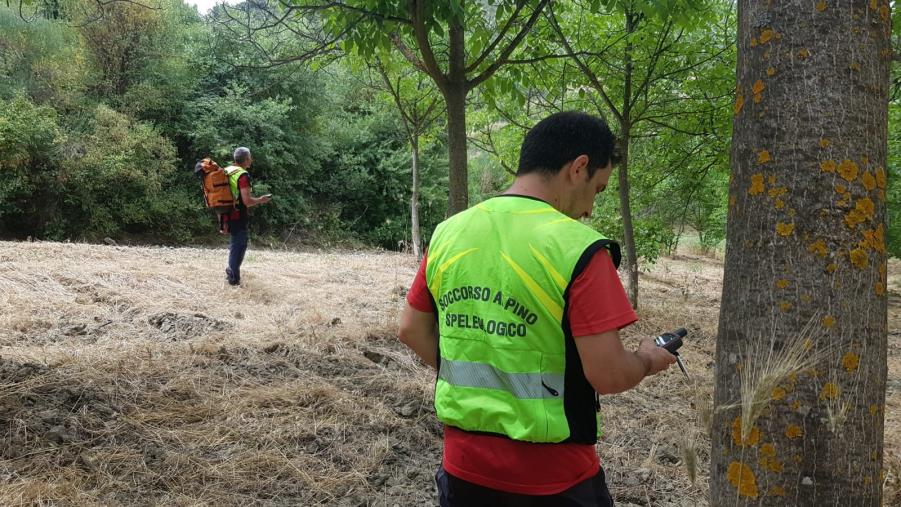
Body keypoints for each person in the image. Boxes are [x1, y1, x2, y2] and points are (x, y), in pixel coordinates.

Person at [398, 111, 676, 506]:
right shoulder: (578, 247)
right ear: (579, 167)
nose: (590, 210)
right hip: (555, 480)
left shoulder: (450, 232)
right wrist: (648, 358)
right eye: (598, 190)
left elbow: (410, 330)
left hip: (463, 472)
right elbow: (610, 374)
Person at [222, 147, 271, 286]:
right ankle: (233, 278)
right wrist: (261, 200)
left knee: (235, 243)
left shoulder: (228, 170)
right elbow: (247, 201)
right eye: (250, 157)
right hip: (237, 214)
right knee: (239, 245)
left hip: (225, 212)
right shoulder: (243, 175)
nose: (252, 160)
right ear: (246, 159)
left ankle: (231, 271)